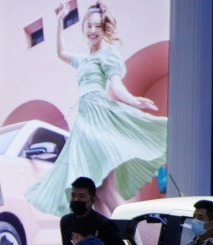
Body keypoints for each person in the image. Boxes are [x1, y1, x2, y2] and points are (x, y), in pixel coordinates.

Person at [25, 2, 167, 218]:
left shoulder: (108, 54)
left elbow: (115, 84)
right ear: (83, 29)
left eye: (97, 27)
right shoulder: (83, 60)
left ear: (103, 29)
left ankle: (131, 243)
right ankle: (111, 243)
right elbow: (61, 52)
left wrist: (132, 100)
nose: (92, 31)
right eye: (88, 26)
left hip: (99, 118)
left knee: (107, 190)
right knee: (96, 194)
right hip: (83, 125)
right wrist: (60, 21)